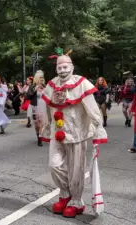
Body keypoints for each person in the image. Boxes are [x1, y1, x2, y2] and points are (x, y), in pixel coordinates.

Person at [40, 48, 108, 218]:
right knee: (54, 165)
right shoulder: (52, 85)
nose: (62, 71)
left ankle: (76, 201)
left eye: (65, 67)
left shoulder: (81, 83)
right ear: (56, 69)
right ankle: (65, 193)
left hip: (76, 132)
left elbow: (92, 109)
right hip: (58, 132)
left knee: (76, 169)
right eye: (59, 68)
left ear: (72, 67)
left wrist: (98, 129)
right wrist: (46, 126)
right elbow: (48, 108)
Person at [26, 70, 47, 146]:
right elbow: (28, 96)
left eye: (42, 78)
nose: (41, 79)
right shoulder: (32, 86)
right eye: (40, 78)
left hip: (43, 107)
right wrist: (35, 89)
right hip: (35, 107)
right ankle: (38, 135)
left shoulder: (45, 86)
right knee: (36, 124)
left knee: (42, 123)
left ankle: (40, 138)